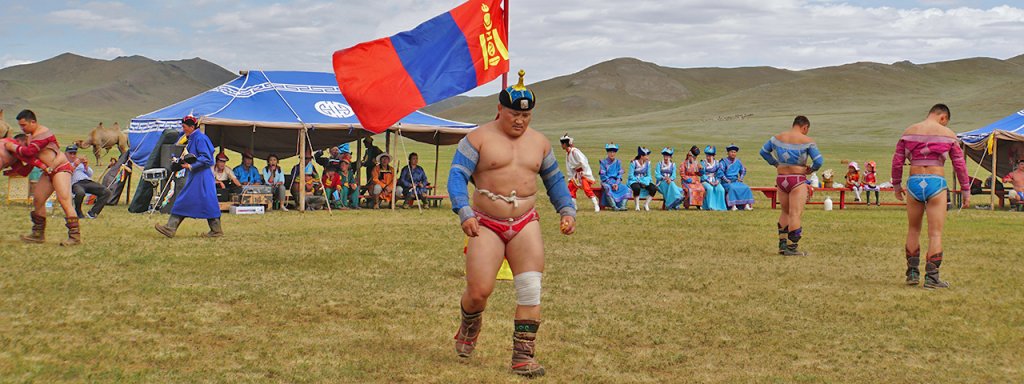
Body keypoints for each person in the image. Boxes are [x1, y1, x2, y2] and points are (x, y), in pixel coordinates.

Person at [447, 71, 575, 378]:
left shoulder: (541, 144)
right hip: (485, 223)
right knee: (479, 290)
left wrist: (567, 209)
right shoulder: (476, 138)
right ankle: (469, 324)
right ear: (500, 110)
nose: (520, 121)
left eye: (526, 115)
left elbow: (554, 180)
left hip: (526, 222)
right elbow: (456, 177)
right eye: (515, 114)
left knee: (530, 290)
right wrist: (464, 210)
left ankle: (523, 357)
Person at [892, 104, 970, 288]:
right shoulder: (948, 134)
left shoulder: (909, 131)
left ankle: (912, 274)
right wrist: (965, 190)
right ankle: (932, 278)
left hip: (914, 182)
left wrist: (896, 185)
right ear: (943, 117)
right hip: (936, 182)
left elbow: (897, 161)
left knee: (913, 229)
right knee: (935, 234)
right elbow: (959, 165)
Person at [2, 110, 82, 246]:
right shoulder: (31, 136)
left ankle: (74, 237)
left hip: (60, 168)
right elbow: (30, 158)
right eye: (20, 126)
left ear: (33, 122)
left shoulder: (43, 133)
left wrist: (12, 146)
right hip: (49, 171)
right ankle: (38, 234)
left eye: (24, 125)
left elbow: (29, 152)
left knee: (64, 201)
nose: (22, 128)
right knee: (38, 200)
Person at [760, 116, 824, 256]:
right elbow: (819, 161)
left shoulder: (777, 138)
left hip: (781, 179)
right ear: (805, 127)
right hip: (797, 180)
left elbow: (763, 152)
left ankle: (782, 246)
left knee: (785, 212)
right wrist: (810, 170)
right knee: (795, 213)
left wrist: (776, 163)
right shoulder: (807, 141)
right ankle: (792, 247)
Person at [155, 115, 223, 238]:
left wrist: (189, 166)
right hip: (198, 176)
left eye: (184, 127)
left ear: (192, 127)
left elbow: (207, 159)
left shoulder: (200, 139)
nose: (183, 129)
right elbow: (193, 157)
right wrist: (180, 164)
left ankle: (171, 228)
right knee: (205, 202)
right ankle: (215, 230)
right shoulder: (193, 138)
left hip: (202, 176)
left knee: (187, 200)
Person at [67, 145, 112, 219]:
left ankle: (93, 212)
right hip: (75, 183)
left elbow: (90, 174)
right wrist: (74, 165)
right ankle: (78, 211)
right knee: (80, 193)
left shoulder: (80, 163)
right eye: (70, 153)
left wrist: (85, 165)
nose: (72, 155)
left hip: (87, 181)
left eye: (74, 153)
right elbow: (67, 174)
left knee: (107, 192)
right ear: (66, 154)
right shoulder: (65, 163)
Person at [561, 134, 600, 213]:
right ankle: (574, 206)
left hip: (583, 173)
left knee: (586, 189)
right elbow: (569, 167)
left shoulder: (575, 151)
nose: (561, 146)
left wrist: (584, 172)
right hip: (576, 174)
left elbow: (584, 161)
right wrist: (571, 177)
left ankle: (596, 204)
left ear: (564, 144)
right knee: (571, 188)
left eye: (562, 144)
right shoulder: (567, 154)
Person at [719, 144, 755, 211]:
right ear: (728, 153)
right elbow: (720, 172)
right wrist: (727, 180)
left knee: (745, 187)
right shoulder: (723, 162)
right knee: (732, 188)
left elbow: (743, 170)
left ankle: (746, 205)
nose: (733, 154)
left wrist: (741, 178)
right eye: (731, 152)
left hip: (735, 181)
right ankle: (733, 206)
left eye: (734, 152)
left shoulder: (738, 161)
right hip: (726, 182)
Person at [598, 143, 631, 211]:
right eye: (610, 152)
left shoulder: (618, 162)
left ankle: (622, 206)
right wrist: (612, 184)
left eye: (613, 152)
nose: (612, 154)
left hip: (616, 182)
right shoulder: (603, 162)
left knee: (627, 189)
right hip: (606, 182)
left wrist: (616, 183)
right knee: (608, 188)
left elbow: (619, 174)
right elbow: (603, 176)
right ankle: (614, 207)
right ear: (607, 152)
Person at [628, 147, 657, 211]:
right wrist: (639, 180)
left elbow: (649, 175)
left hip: (645, 181)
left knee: (653, 188)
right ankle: (637, 206)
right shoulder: (633, 163)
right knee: (636, 187)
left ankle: (646, 204)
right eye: (646, 155)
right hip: (634, 180)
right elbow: (630, 176)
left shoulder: (648, 163)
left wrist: (645, 181)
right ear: (641, 156)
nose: (648, 157)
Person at [700, 146, 727, 211]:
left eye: (710, 156)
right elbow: (702, 174)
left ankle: (720, 207)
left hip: (715, 179)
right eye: (707, 156)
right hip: (705, 180)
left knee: (721, 189)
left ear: (714, 156)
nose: (708, 157)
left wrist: (717, 181)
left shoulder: (717, 163)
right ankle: (710, 206)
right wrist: (709, 181)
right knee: (710, 189)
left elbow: (719, 173)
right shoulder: (703, 163)